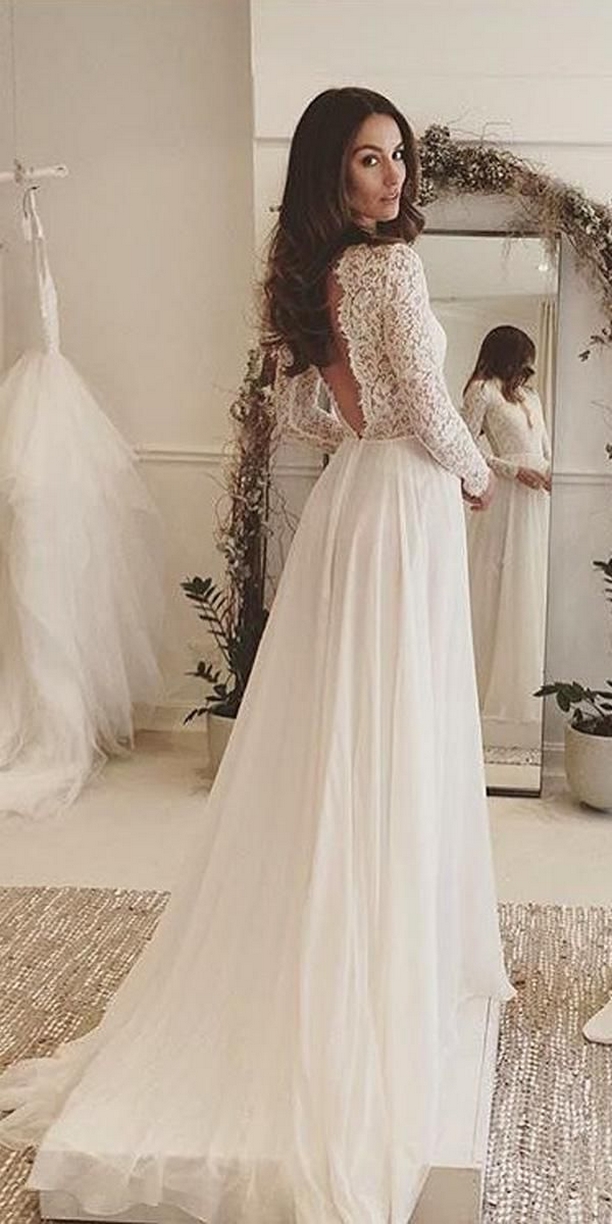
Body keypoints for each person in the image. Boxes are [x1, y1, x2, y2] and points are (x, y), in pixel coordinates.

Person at [0, 87, 514, 1224]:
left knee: (348, 730)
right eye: (371, 160)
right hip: (405, 508)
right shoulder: (392, 268)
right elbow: (428, 408)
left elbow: (310, 418)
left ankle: (349, 940)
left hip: (354, 505)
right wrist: (478, 474)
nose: (394, 177)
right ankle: (380, 968)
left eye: (399, 157)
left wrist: (373, 427)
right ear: (333, 169)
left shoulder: (312, 273)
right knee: (396, 725)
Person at [461, 327, 552, 751]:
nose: (527, 367)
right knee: (501, 585)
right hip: (508, 498)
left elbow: (544, 448)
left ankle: (528, 692)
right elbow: (466, 446)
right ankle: (486, 691)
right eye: (522, 357)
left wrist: (552, 474)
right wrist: (514, 471)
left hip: (538, 499)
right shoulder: (482, 391)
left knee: (531, 587)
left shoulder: (531, 396)